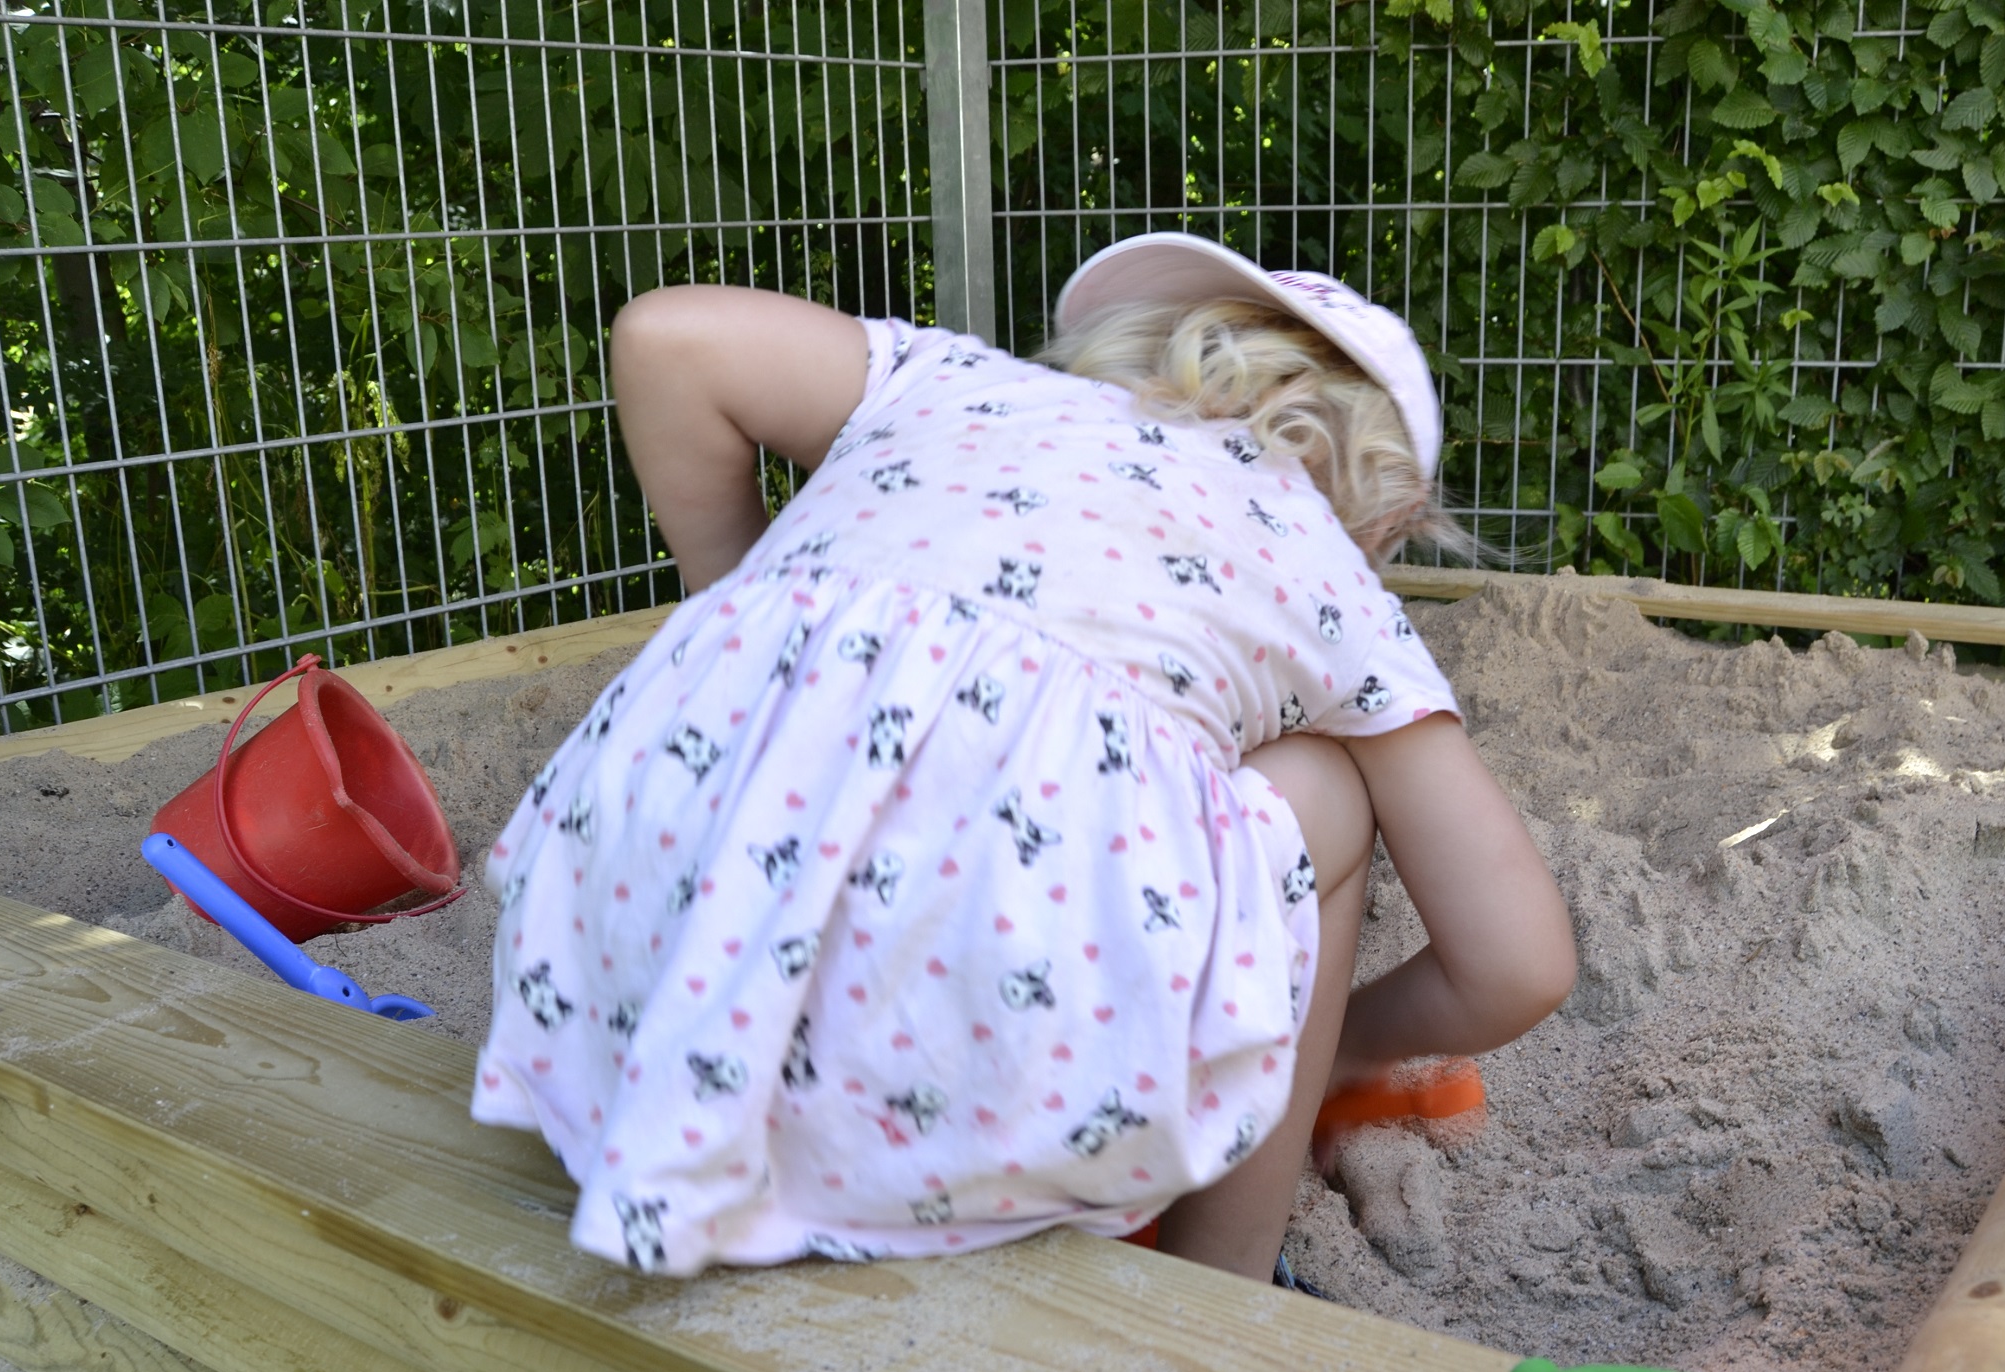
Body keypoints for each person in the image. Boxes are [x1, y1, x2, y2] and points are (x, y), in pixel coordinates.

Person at [470, 233, 1576, 1284]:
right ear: (1379, 510)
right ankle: (1221, 1278)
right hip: (971, 1045)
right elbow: (1518, 959)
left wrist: (763, 626)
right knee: (1327, 790)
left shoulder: (948, 383)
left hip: (628, 960)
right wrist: (1344, 1043)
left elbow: (667, 336)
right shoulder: (1319, 556)